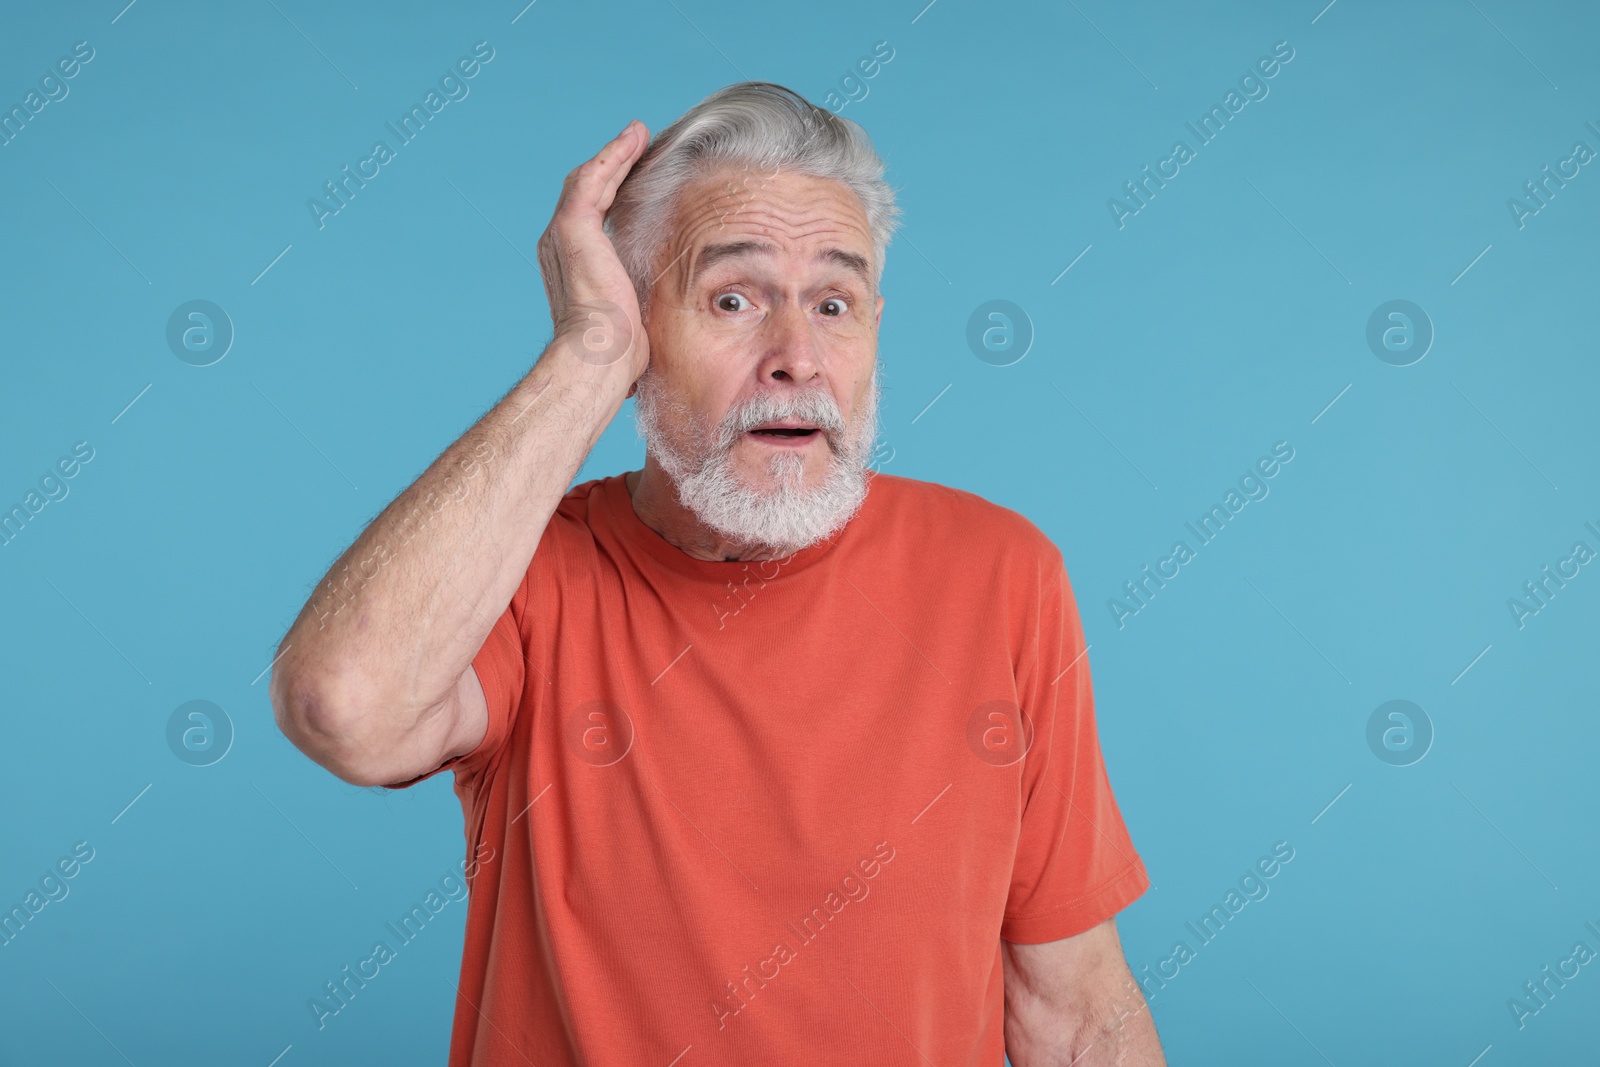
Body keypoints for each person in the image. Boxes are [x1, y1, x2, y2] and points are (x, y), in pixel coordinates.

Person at [270, 80, 1164, 1066]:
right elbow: (342, 704)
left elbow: (1072, 1009)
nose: (796, 357)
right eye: (731, 298)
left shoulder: (1000, 572)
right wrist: (586, 354)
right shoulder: (530, 571)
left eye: (835, 301)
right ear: (640, 322)